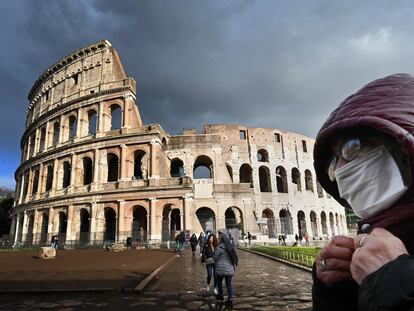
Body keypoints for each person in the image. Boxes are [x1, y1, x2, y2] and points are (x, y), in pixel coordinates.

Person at [312, 73, 414, 311]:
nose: (338, 171)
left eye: (352, 147)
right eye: (333, 161)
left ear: (404, 146)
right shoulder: (365, 250)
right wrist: (337, 293)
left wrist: (395, 282)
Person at [214, 231, 238, 306]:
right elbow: (234, 256)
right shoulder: (231, 248)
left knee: (219, 283)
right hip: (229, 269)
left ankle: (221, 296)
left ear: (221, 240)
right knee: (229, 284)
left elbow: (215, 257)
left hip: (220, 269)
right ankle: (230, 299)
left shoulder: (219, 248)